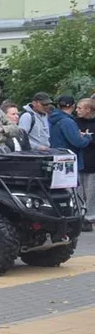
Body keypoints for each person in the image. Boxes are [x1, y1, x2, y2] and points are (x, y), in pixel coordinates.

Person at [48, 95, 92, 169]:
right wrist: (87, 136)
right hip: (67, 161)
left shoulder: (54, 118)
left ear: (58, 105)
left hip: (57, 158)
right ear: (73, 105)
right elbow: (78, 142)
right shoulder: (67, 121)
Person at [74, 97, 95, 232]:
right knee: (78, 190)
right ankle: (79, 214)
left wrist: (86, 137)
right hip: (78, 161)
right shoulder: (74, 122)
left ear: (88, 109)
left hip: (92, 162)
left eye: (80, 108)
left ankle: (90, 216)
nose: (77, 110)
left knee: (91, 191)